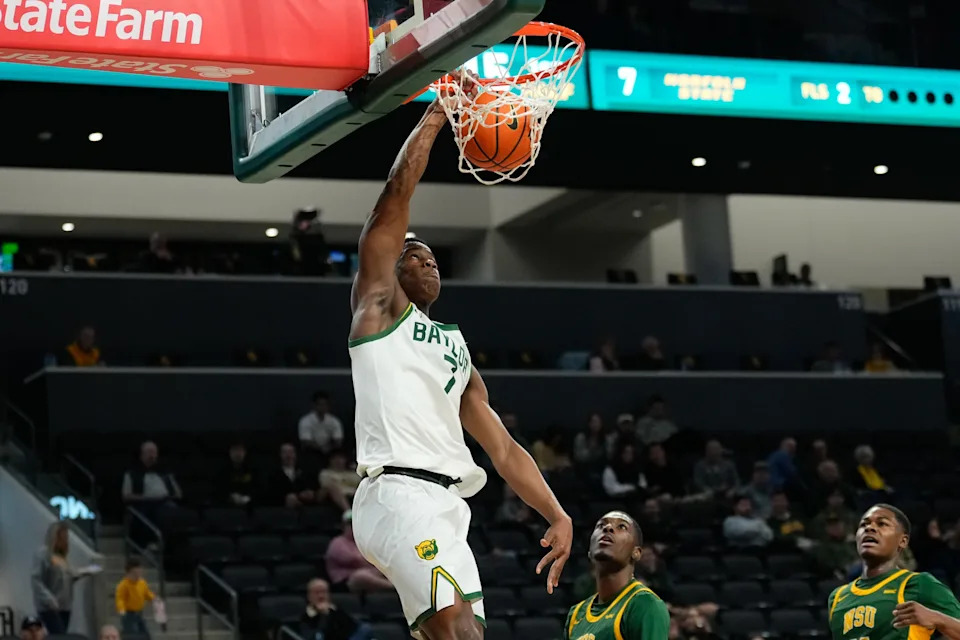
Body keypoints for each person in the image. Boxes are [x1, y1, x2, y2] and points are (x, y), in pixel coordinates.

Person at [347, 91, 572, 640]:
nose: (427, 261)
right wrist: (435, 117)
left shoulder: (456, 347)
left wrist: (557, 513)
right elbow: (393, 203)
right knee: (457, 630)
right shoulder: (378, 311)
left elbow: (502, 448)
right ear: (389, 270)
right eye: (412, 255)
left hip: (447, 504)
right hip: (396, 492)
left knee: (458, 630)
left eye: (432, 257)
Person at [827, 504, 960, 640]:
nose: (869, 528)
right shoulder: (837, 598)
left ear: (902, 541)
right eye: (863, 525)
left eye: (882, 524)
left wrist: (938, 619)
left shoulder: (919, 584)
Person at [564, 512, 670, 640]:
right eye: (600, 525)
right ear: (590, 551)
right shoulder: (575, 614)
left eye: (622, 527)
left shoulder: (644, 604)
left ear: (636, 553)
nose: (607, 528)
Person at [32, 523, 86, 633]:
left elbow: (67, 575)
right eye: (63, 537)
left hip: (65, 605)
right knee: (57, 634)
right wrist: (49, 599)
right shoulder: (43, 554)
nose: (65, 541)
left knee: (63, 634)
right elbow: (36, 580)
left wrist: (82, 572)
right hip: (50, 606)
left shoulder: (62, 557)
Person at [325, 511, 393, 594]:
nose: (354, 527)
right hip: (347, 580)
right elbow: (355, 560)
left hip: (372, 573)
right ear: (343, 527)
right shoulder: (338, 542)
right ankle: (393, 587)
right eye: (350, 525)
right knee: (360, 576)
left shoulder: (365, 542)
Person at [300, 577, 370, 640]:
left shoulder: (336, 610)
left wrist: (329, 612)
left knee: (365, 628)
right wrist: (323, 615)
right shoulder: (305, 615)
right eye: (317, 592)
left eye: (324, 592)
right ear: (309, 596)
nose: (321, 596)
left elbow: (350, 629)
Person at [115, 556, 155, 638]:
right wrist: (121, 610)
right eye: (138, 569)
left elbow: (147, 594)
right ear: (131, 571)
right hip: (128, 614)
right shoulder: (123, 585)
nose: (140, 571)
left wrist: (154, 598)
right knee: (132, 636)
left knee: (145, 636)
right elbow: (120, 599)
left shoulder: (142, 582)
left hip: (139, 613)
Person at [299, 391, 345, 457]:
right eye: (320, 404)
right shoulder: (305, 421)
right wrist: (321, 449)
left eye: (325, 404)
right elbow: (306, 441)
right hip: (311, 453)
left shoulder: (334, 421)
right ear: (314, 405)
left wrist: (328, 448)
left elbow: (338, 440)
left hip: (330, 452)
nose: (322, 407)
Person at [220, 442, 257, 507]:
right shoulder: (223, 472)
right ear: (230, 453)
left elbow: (258, 489)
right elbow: (219, 490)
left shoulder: (253, 470)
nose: (237, 454)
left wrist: (246, 498)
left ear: (244, 453)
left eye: (240, 450)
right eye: (234, 451)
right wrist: (231, 498)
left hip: (251, 506)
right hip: (227, 507)